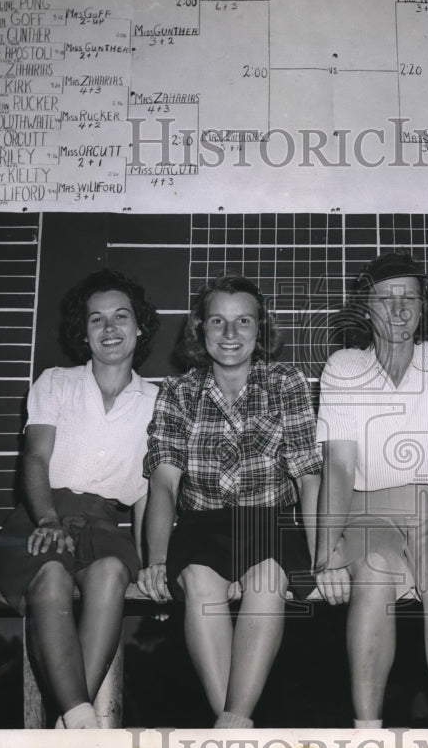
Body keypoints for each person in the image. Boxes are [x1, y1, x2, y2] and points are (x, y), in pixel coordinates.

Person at [314, 251, 428, 729]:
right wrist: (325, 553)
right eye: (385, 298)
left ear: (424, 306)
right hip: (368, 512)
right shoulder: (343, 366)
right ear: (365, 307)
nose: (398, 310)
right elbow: (338, 466)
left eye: (409, 299)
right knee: (375, 572)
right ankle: (366, 734)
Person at [138, 274, 322, 729]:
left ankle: (229, 724)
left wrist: (323, 556)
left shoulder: (287, 381)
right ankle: (235, 724)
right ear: (200, 329)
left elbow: (309, 478)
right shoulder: (178, 392)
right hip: (202, 524)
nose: (230, 333)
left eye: (243, 321)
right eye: (217, 321)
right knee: (200, 582)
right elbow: (163, 484)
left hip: (272, 521)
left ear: (261, 329)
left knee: (264, 581)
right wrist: (157, 559)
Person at [0, 269, 160, 728]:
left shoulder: (158, 401)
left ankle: (68, 719)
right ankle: (81, 719)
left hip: (104, 528)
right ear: (83, 332)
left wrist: (150, 561)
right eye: (96, 319)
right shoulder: (56, 382)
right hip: (40, 517)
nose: (110, 329)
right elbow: (36, 459)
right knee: (53, 573)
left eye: (121, 317)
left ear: (139, 326)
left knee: (112, 573)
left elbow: (149, 494)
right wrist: (46, 519)